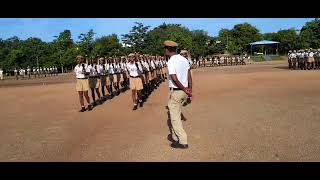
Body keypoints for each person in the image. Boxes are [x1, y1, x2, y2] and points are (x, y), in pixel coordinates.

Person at [164, 40, 192, 149]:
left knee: (174, 118)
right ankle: (175, 138)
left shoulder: (171, 61)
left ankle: (182, 141)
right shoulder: (184, 59)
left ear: (167, 49)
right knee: (176, 113)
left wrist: (184, 88)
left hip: (177, 90)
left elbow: (174, 78)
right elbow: (189, 76)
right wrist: (189, 90)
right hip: (184, 91)